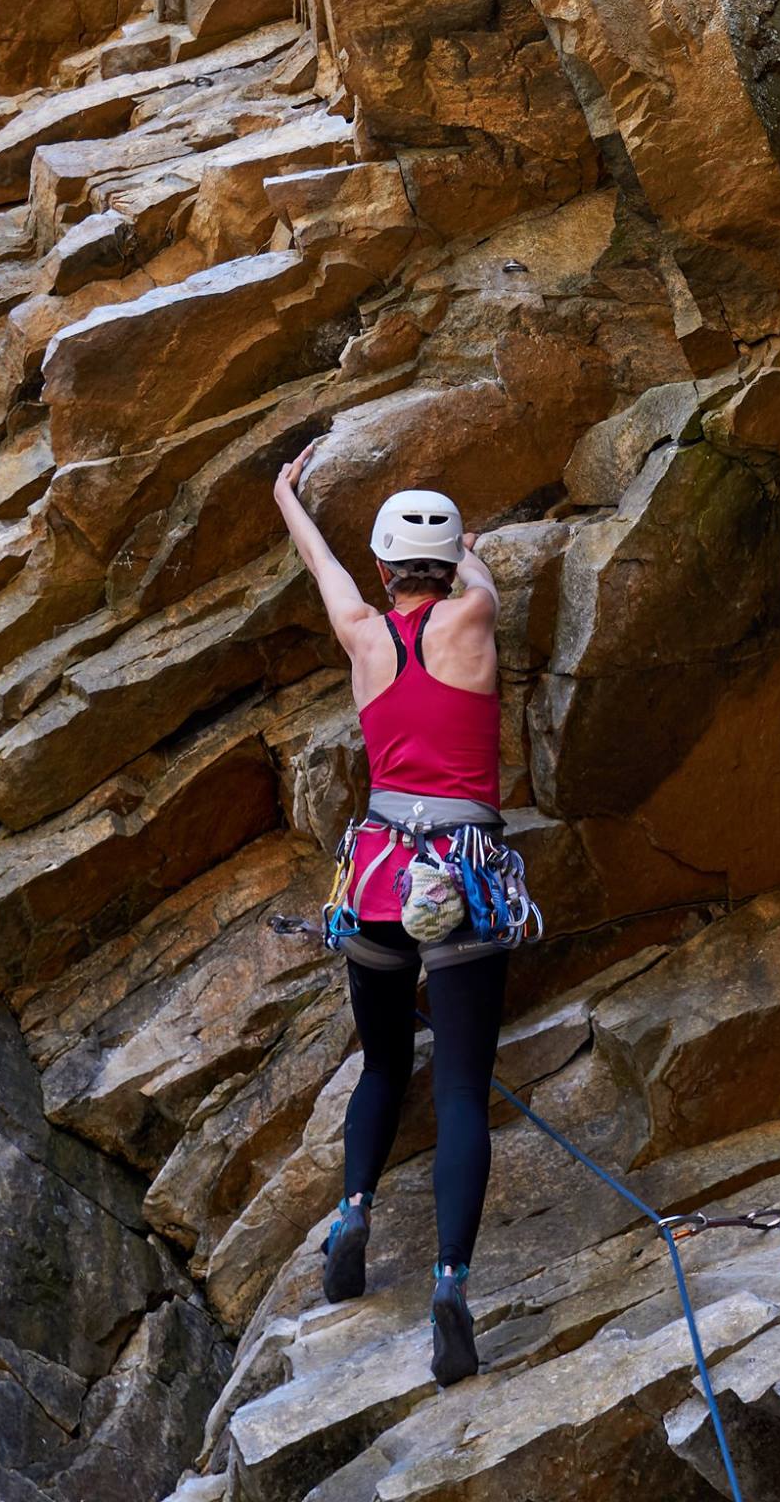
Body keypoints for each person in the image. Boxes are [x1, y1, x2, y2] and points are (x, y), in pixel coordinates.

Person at [273, 452, 508, 1387]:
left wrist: (287, 496)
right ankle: (449, 1284)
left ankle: (354, 1212)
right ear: (449, 566)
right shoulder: (474, 615)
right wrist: (474, 555)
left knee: (380, 1061)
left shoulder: (362, 632)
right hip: (462, 874)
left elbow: (323, 569)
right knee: (458, 1091)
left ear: (383, 569)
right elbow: (482, 581)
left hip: (375, 875)